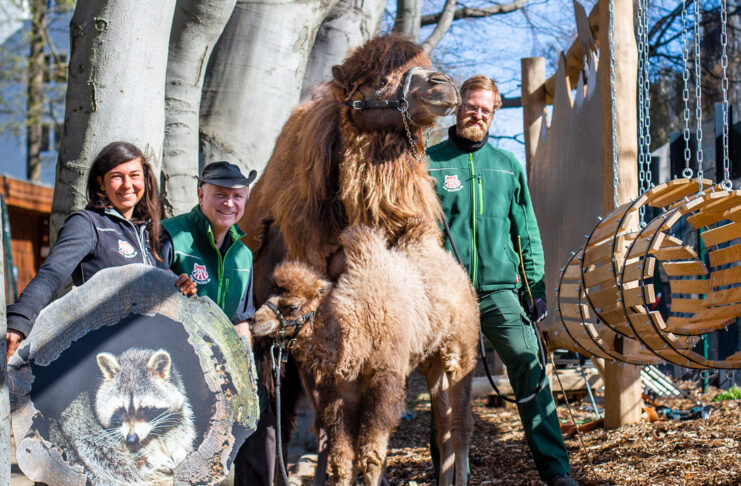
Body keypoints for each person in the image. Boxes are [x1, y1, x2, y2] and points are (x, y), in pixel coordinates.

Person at [427, 75, 577, 486]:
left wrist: (536, 287)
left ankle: (556, 469)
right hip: (445, 295)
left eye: (486, 109)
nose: (477, 114)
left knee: (530, 365)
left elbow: (525, 231)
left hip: (498, 292)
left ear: (494, 114)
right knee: (445, 383)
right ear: (458, 107)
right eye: (471, 106)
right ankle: (451, 475)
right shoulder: (428, 161)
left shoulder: (507, 165)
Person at [5, 141, 196, 359]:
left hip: (146, 351)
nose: (127, 184)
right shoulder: (87, 223)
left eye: (134, 175)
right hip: (98, 353)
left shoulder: (148, 231)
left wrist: (180, 284)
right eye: (116, 176)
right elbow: (51, 274)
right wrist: (18, 321)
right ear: (101, 183)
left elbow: (159, 285)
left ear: (145, 179)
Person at [159, 161, 269, 484]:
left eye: (237, 196)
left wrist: (246, 380)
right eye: (220, 195)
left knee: (215, 469)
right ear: (200, 194)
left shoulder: (244, 256)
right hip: (171, 376)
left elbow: (240, 323)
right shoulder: (172, 234)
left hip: (217, 381)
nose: (229, 204)